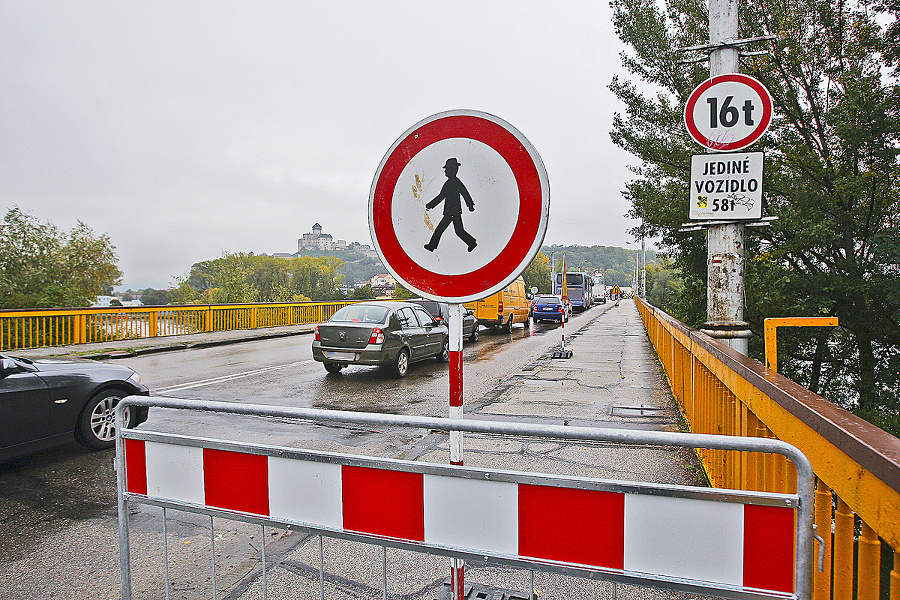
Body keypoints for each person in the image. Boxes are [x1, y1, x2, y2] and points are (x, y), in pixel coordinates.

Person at [424, 158, 477, 252]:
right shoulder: (449, 183)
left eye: (446, 169)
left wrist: (470, 205)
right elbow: (442, 196)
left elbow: (465, 193)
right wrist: (430, 205)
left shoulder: (454, 182)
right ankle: (471, 242)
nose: (445, 171)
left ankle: (432, 246)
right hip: (453, 211)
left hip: (452, 212)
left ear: (452, 170)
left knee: (442, 230)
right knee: (458, 231)